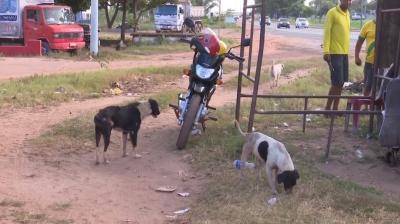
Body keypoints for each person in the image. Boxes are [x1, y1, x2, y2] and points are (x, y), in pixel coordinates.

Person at [323, 0, 352, 113]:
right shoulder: (332, 12)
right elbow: (327, 33)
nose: (348, 2)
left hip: (344, 53)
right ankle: (327, 109)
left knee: (341, 83)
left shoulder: (347, 14)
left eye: (350, 0)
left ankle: (335, 109)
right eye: (346, 0)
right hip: (334, 53)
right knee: (336, 82)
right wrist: (326, 51)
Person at [355, 19, 376, 96]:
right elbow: (359, 42)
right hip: (370, 62)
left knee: (382, 86)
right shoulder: (367, 25)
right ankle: (367, 106)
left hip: (385, 63)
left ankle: (377, 106)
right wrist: (357, 57)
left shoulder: (389, 25)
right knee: (368, 85)